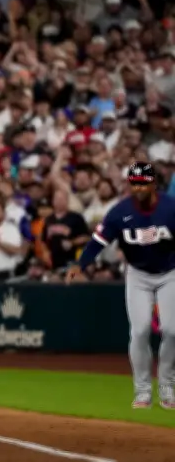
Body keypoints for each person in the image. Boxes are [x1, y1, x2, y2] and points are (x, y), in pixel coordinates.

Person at [67, 162, 174, 410]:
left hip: (170, 272)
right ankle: (143, 392)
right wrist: (80, 264)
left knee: (172, 330)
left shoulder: (170, 207)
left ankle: (167, 386)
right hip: (137, 274)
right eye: (134, 183)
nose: (138, 189)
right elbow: (97, 241)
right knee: (139, 331)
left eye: (143, 183)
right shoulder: (120, 211)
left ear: (154, 184)